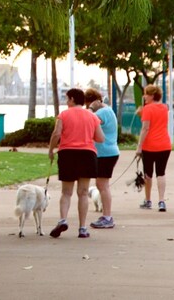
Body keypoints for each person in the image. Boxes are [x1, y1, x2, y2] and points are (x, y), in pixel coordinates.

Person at [47, 88, 105, 239]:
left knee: (66, 192)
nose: (66, 102)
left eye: (67, 99)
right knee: (84, 193)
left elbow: (57, 133)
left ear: (72, 99)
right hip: (87, 154)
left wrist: (51, 149)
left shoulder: (64, 115)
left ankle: (63, 220)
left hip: (68, 154)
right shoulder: (91, 116)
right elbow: (100, 138)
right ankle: (83, 228)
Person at [136, 84, 172, 211]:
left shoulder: (147, 108)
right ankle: (161, 201)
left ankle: (148, 200)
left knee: (148, 174)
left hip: (149, 145)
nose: (144, 96)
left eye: (146, 94)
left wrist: (139, 147)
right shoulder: (164, 107)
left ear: (151, 96)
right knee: (161, 173)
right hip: (164, 144)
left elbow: (145, 128)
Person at [86, 88, 119, 229]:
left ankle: (107, 217)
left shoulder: (101, 113)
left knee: (102, 185)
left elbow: (87, 120)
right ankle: (106, 215)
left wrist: (90, 108)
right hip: (108, 152)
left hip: (105, 153)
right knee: (101, 185)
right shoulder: (107, 110)